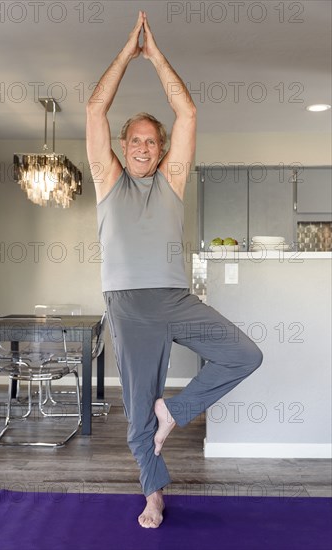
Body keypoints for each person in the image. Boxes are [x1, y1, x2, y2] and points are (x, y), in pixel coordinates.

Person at [86, 11, 263, 529]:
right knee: (137, 410)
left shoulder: (172, 182)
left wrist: (156, 55)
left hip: (175, 299)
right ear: (123, 147)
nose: (143, 146)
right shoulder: (106, 182)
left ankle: (176, 412)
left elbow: (186, 112)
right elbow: (95, 108)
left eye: (151, 141)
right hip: (129, 306)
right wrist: (127, 52)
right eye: (134, 140)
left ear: (161, 150)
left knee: (244, 354)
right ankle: (154, 494)